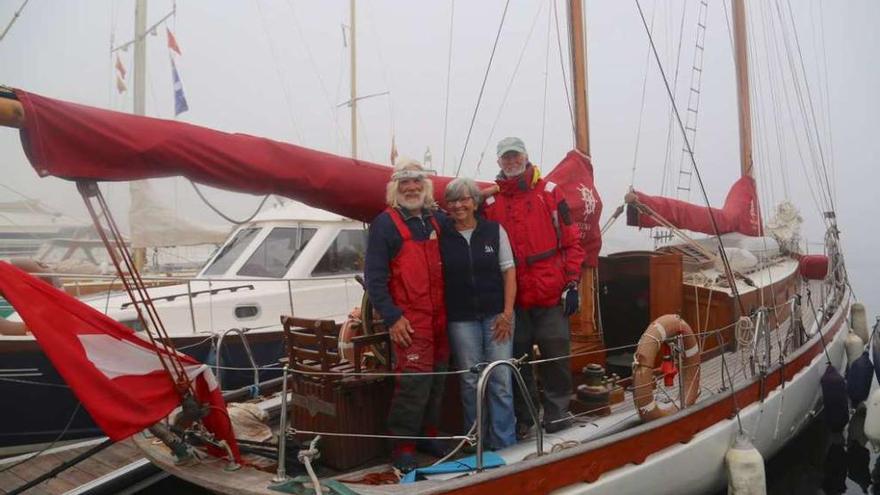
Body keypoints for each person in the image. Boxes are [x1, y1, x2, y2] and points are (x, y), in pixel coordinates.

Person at [482, 137, 585, 436]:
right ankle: (525, 418)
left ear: (526, 157)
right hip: (513, 297)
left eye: (515, 156)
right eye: (506, 158)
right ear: (499, 162)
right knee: (518, 360)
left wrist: (572, 283)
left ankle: (557, 414)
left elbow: (571, 242)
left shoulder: (550, 193)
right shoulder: (490, 203)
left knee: (556, 354)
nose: (511, 161)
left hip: (550, 291)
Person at [364, 157, 449, 472]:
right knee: (412, 385)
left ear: (425, 187)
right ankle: (402, 447)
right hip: (410, 320)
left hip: (440, 317)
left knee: (438, 380)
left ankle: (428, 436)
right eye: (405, 183)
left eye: (416, 182)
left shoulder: (436, 220)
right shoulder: (385, 224)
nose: (411, 188)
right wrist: (392, 317)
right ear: (395, 189)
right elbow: (374, 279)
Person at [440, 177, 517, 451]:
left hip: (497, 314)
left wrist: (507, 313)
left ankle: (505, 444)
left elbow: (509, 272)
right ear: (446, 206)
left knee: (500, 379)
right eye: (453, 200)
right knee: (470, 381)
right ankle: (477, 443)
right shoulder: (442, 234)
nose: (458, 205)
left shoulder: (495, 231)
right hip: (461, 319)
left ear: (475, 202)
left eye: (464, 199)